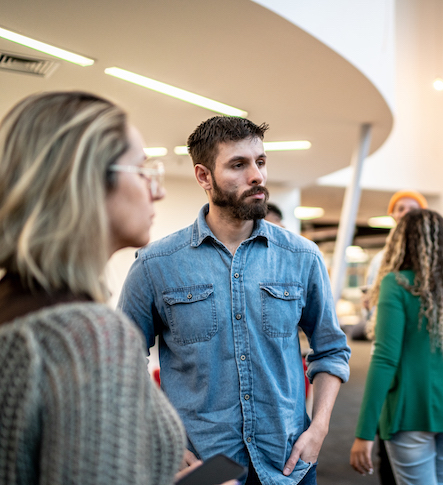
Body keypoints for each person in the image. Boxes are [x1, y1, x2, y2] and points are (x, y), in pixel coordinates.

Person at [118, 115, 351, 485]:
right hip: (202, 467)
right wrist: (163, 441)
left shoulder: (302, 257)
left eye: (260, 162)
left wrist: (319, 428)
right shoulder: (155, 264)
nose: (256, 176)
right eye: (238, 165)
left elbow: (331, 349)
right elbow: (122, 361)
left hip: (289, 463)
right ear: (203, 176)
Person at [0, 91, 185, 484]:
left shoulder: (14, 311)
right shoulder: (87, 336)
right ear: (86, 178)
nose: (159, 191)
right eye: (143, 170)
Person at [351, 209, 443, 485]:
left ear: (402, 242)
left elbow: (385, 359)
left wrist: (364, 432)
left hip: (410, 409)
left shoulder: (396, 284)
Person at [360, 189, 428, 484]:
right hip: (387, 351)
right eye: (400, 209)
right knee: (386, 431)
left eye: (412, 209)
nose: (405, 214)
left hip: (419, 357)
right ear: (391, 215)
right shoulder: (379, 262)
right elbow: (369, 314)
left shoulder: (431, 259)